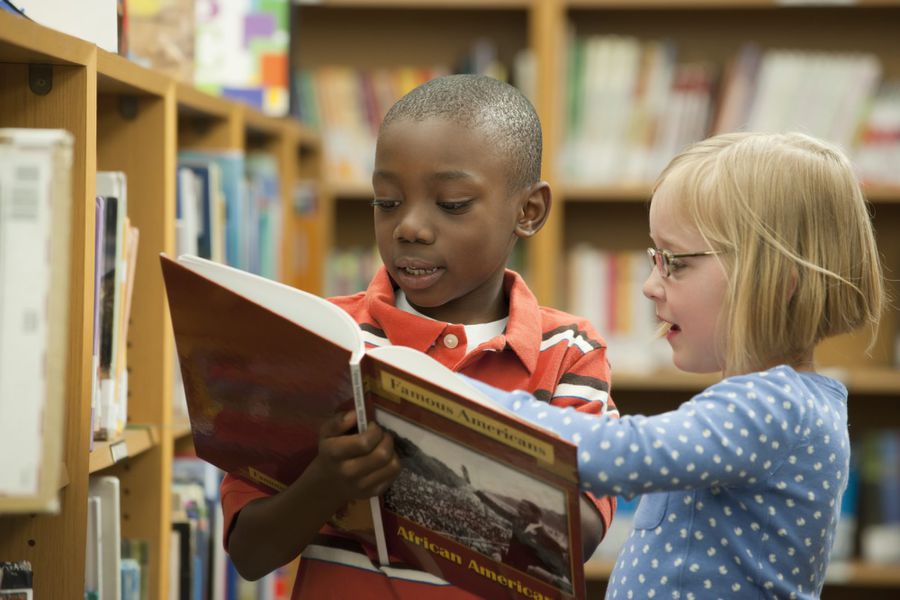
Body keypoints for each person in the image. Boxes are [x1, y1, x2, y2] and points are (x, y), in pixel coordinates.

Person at [221, 74, 619, 598]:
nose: (408, 227)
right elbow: (250, 553)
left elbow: (577, 539)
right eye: (386, 202)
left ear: (528, 212)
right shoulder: (317, 339)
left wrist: (440, 469)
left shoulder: (568, 354)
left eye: (451, 204)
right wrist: (325, 484)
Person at [467, 132, 885, 599]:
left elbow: (616, 453)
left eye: (674, 263)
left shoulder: (774, 406)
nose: (649, 286)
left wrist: (463, 398)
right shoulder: (787, 403)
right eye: (654, 259)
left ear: (775, 280)